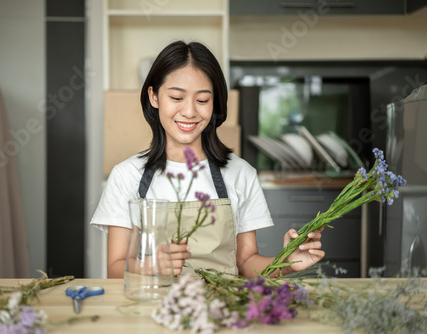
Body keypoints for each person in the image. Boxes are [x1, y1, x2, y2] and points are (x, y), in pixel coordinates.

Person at [90, 40, 324, 278]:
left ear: (215, 104)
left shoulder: (240, 173)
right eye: (176, 98)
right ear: (154, 97)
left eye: (202, 100)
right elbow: (116, 267)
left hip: (221, 311)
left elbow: (245, 262)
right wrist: (149, 266)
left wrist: (286, 262)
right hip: (151, 310)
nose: (190, 111)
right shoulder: (126, 176)